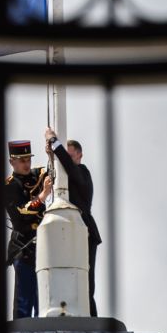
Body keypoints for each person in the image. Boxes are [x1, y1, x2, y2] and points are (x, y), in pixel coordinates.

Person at [45, 127, 102, 317]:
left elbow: (70, 169)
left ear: (79, 156)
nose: (67, 161)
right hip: (69, 230)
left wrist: (54, 143)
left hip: (84, 230)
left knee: (85, 280)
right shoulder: (67, 175)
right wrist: (52, 157)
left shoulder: (82, 173)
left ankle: (91, 318)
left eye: (70, 156)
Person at [4, 139, 52, 319]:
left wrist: (50, 153)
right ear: (12, 162)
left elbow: (54, 171)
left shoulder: (37, 174)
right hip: (24, 247)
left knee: (44, 300)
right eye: (21, 160)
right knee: (24, 300)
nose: (26, 164)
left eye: (28, 159)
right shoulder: (9, 185)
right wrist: (42, 196)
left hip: (43, 245)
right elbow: (21, 212)